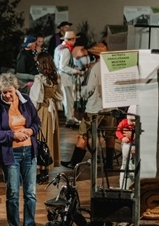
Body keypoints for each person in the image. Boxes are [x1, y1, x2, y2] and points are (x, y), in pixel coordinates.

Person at [0, 73, 42, 226]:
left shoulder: (25, 100)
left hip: (29, 153)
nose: (7, 95)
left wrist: (30, 131)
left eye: (9, 91)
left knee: (30, 193)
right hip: (10, 154)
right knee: (12, 193)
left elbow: (36, 122)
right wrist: (13, 135)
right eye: (3, 92)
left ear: (16, 88)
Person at [61, 43, 113, 169]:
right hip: (111, 107)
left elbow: (90, 89)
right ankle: (109, 163)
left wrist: (83, 94)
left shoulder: (96, 68)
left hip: (95, 107)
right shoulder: (112, 66)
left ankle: (75, 162)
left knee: (83, 134)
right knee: (109, 135)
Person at [29, 52, 62, 184]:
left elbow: (35, 98)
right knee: (48, 138)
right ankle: (45, 170)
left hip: (42, 110)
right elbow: (59, 96)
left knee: (41, 138)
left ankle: (42, 170)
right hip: (51, 110)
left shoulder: (39, 78)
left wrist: (30, 113)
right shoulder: (56, 77)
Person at [56, 30, 85, 127]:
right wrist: (75, 71)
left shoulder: (58, 48)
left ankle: (70, 117)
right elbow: (63, 66)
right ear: (70, 40)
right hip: (65, 77)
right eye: (74, 40)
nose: (75, 42)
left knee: (66, 98)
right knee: (68, 99)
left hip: (60, 76)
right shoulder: (66, 50)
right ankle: (70, 118)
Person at [115, 109, 137, 189]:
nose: (132, 123)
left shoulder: (137, 124)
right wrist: (122, 137)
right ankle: (124, 184)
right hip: (126, 144)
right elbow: (118, 131)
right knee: (125, 163)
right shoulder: (123, 122)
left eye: (134, 120)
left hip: (135, 145)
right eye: (131, 120)